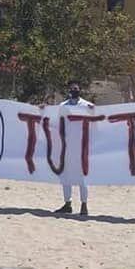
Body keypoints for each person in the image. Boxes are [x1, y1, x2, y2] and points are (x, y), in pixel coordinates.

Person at [54, 80, 92, 216]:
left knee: (83, 177)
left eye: (76, 88)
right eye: (72, 88)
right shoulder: (62, 106)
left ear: (80, 90)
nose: (74, 90)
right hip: (67, 146)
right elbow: (58, 123)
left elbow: (95, 125)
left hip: (82, 146)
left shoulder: (88, 106)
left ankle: (84, 204)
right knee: (66, 175)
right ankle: (67, 203)